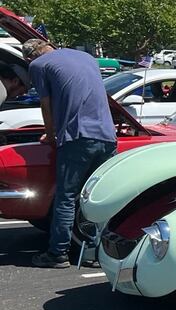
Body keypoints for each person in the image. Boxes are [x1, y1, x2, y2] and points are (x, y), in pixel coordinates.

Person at [22, 38, 118, 268]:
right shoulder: (87, 57)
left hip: (77, 136)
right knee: (99, 197)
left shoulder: (39, 65)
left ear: (29, 57)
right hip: (107, 134)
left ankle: (58, 253)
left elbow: (45, 104)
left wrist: (50, 134)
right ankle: (97, 253)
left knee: (66, 198)